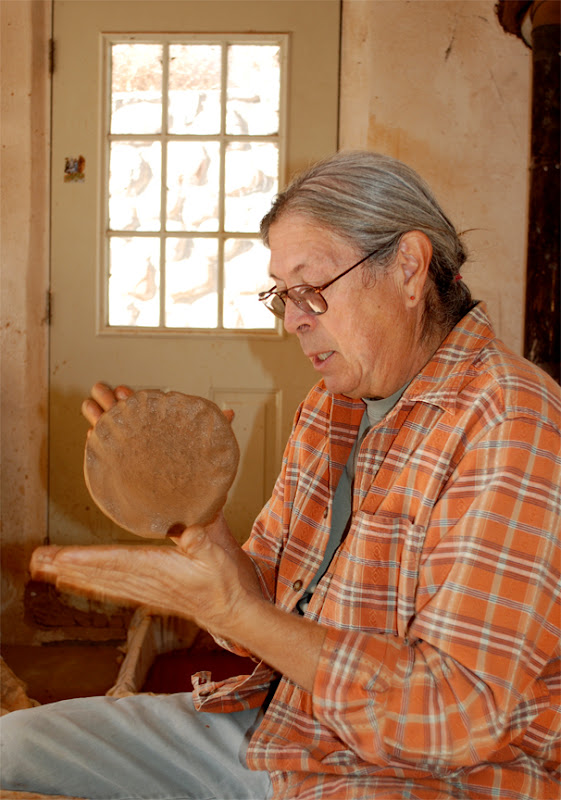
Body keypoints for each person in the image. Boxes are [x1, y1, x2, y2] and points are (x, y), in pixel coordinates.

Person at [1, 151, 560, 800]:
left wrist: (231, 610)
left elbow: (452, 718)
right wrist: (198, 520)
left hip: (419, 778)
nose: (294, 318)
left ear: (409, 268)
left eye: (311, 286)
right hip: (287, 730)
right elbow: (262, 611)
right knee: (13, 749)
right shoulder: (331, 408)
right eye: (282, 295)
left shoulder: (513, 422)